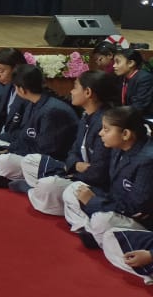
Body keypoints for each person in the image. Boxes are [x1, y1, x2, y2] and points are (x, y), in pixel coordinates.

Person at [25, 70, 120, 214]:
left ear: (88, 92)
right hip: (77, 173)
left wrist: (72, 174)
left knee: (48, 185)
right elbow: (73, 151)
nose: (71, 91)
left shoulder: (105, 123)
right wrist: (75, 165)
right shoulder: (86, 116)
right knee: (30, 161)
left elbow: (99, 172)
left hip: (94, 184)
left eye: (75, 87)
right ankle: (46, 195)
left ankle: (39, 193)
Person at [63, 106, 153, 249]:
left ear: (125, 134)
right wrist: (95, 199)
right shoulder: (118, 147)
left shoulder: (147, 161)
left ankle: (96, 232)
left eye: (106, 129)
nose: (100, 133)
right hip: (113, 203)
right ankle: (89, 229)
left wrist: (94, 201)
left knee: (102, 220)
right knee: (73, 189)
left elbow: (136, 209)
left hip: (137, 220)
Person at [115, 49, 153, 119]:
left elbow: (140, 105)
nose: (114, 66)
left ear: (130, 63)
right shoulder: (121, 77)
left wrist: (120, 115)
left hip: (145, 117)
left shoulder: (144, 78)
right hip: (128, 114)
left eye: (117, 62)